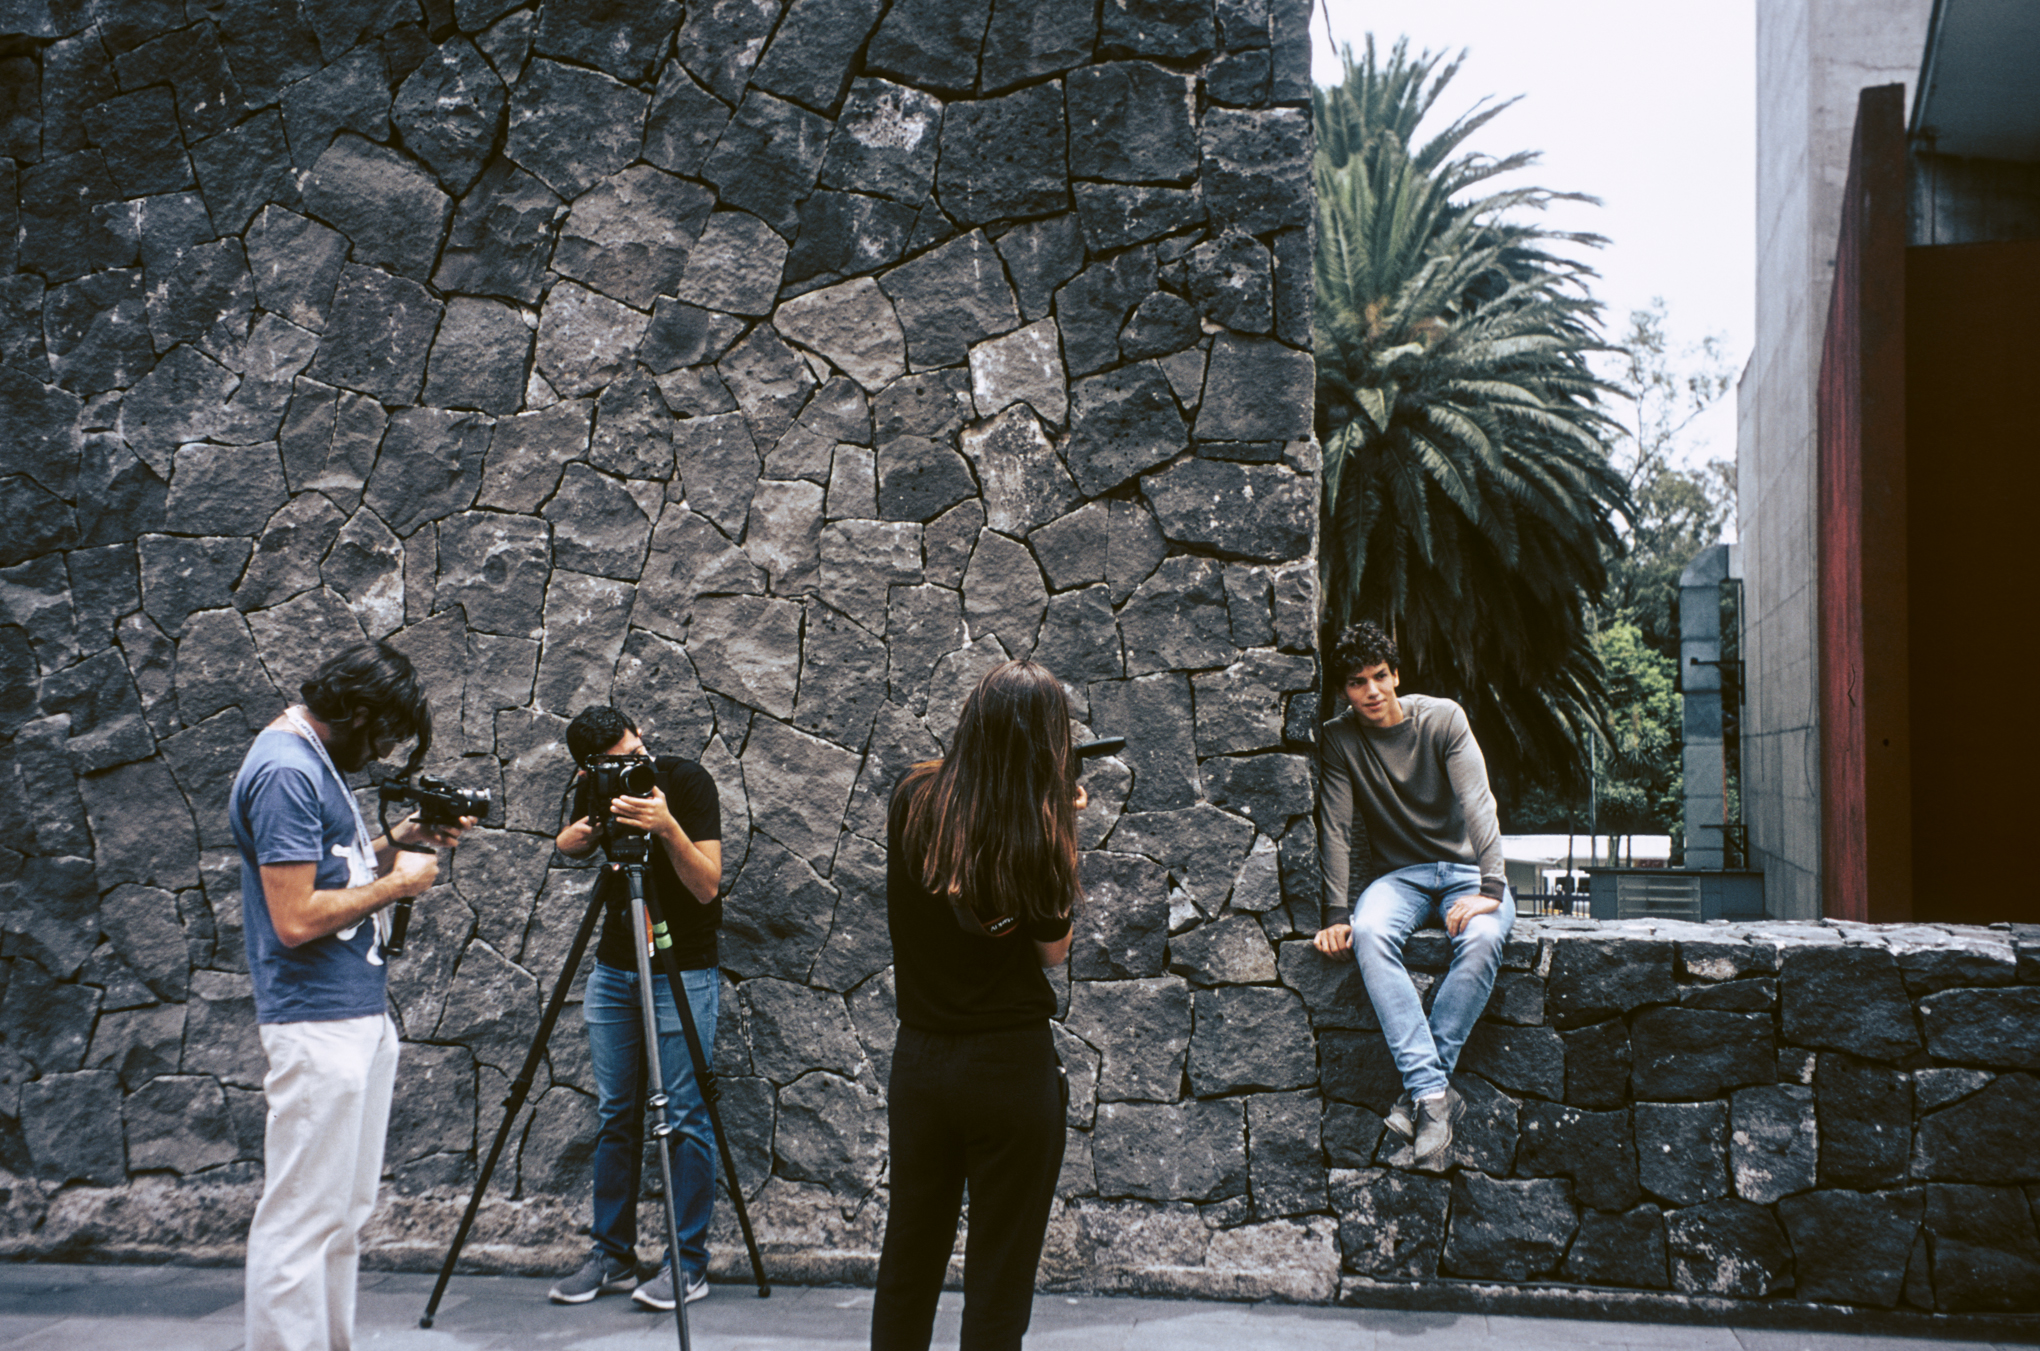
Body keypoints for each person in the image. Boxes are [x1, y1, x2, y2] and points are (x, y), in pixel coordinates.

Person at [234, 642, 472, 1351]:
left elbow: (331, 868)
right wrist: (399, 884)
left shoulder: (310, 760)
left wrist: (399, 840)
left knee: (343, 1212)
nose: (383, 754)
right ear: (359, 712)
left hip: (353, 1010)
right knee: (302, 1217)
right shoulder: (286, 770)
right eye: (385, 736)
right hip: (316, 1020)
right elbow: (295, 916)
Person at [872, 659, 1081, 1351]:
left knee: (909, 1258)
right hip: (1010, 1068)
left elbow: (964, 816)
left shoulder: (911, 797)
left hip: (921, 1062)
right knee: (1000, 1273)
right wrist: (1060, 822)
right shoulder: (1037, 828)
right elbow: (1053, 951)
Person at [1311, 621, 1515, 1171]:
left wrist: (1492, 888)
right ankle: (1435, 1093)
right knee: (1370, 932)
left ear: (1396, 675)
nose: (1372, 691)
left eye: (1380, 676)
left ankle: (1422, 1094)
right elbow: (1335, 826)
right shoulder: (1340, 739)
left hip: (1468, 872)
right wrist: (1335, 913)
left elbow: (1478, 801)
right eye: (1357, 682)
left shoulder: (1443, 718)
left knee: (1484, 937)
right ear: (1344, 691)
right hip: (1400, 878)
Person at [547, 706, 723, 1312]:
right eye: (617, 763)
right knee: (616, 1113)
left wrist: (667, 827)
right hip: (616, 965)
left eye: (637, 752)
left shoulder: (687, 782)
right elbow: (570, 844)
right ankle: (613, 1256)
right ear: (587, 769)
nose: (634, 767)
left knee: (686, 1115)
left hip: (683, 964)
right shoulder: (597, 788)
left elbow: (707, 886)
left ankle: (688, 1263)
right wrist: (581, 832)